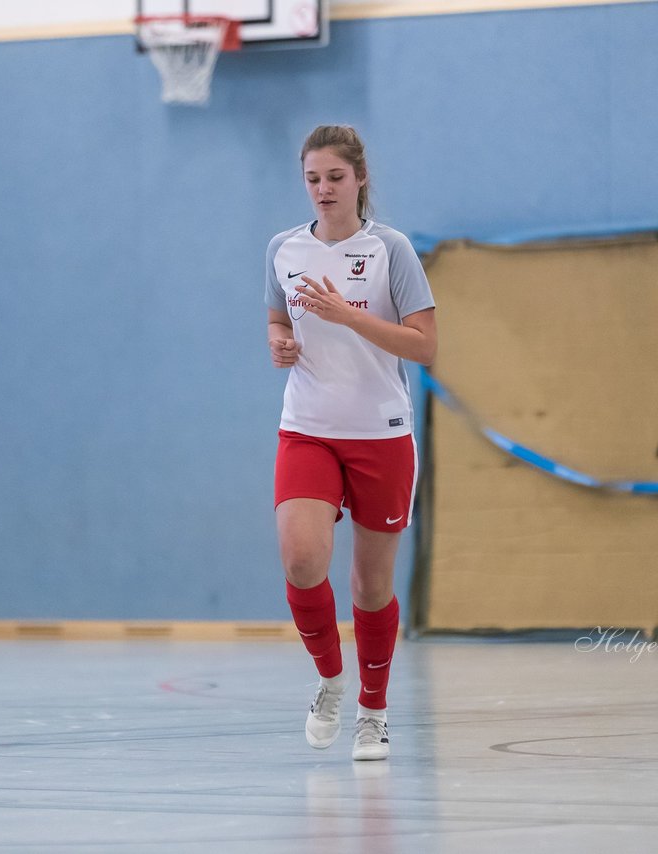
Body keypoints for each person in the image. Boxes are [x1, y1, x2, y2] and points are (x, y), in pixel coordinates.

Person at [264, 125, 437, 761]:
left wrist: (352, 317)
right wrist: (279, 344)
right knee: (301, 558)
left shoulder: (391, 249)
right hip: (307, 426)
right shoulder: (283, 249)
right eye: (312, 179)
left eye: (335, 177)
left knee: (370, 586)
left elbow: (425, 347)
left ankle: (374, 708)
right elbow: (279, 316)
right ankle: (330, 680)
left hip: (380, 434)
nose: (323, 189)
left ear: (359, 178)